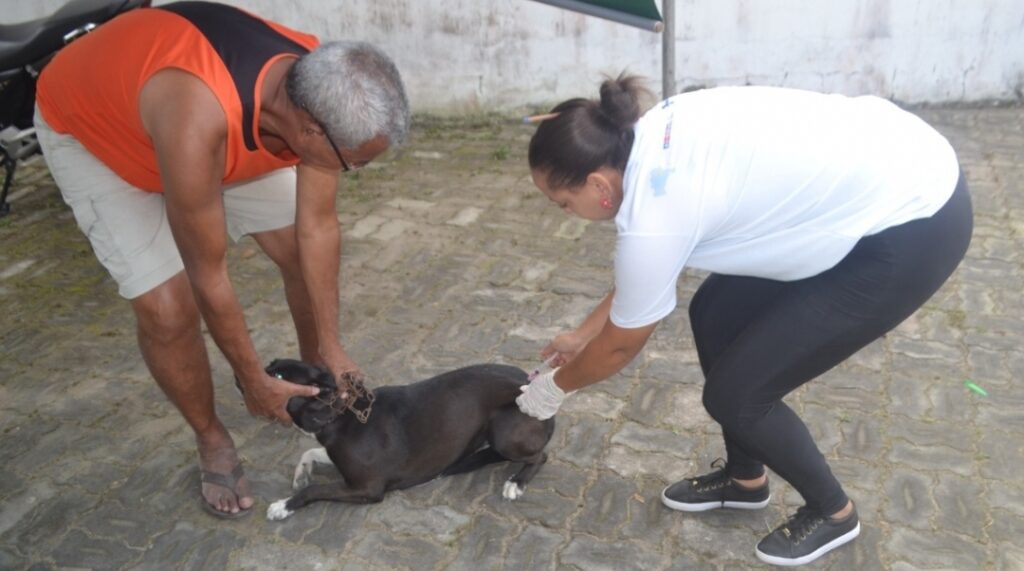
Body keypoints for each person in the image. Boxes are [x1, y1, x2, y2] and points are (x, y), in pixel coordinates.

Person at [515, 76, 972, 565]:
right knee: (715, 311)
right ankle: (745, 478)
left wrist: (553, 389)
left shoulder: (657, 209)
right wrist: (584, 333)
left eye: (563, 202)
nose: (565, 212)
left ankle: (833, 511)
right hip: (881, 171)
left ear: (600, 185)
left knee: (738, 396)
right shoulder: (642, 137)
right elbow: (647, 271)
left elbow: (621, 345)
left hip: (914, 226)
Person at [34, 2, 409, 518]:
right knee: (168, 310)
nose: (357, 171)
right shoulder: (196, 115)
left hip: (200, 121)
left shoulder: (317, 82)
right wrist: (252, 378)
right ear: (312, 133)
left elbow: (317, 228)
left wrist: (331, 345)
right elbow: (208, 271)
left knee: (299, 254)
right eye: (358, 163)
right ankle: (211, 437)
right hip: (100, 135)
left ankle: (313, 380)